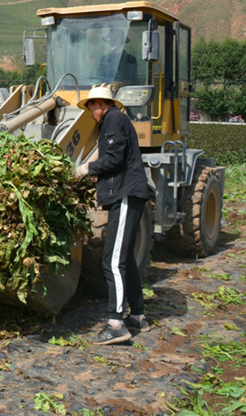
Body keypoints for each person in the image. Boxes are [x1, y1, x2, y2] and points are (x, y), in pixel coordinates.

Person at [75, 84, 151, 345]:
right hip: (124, 194)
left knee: (112, 261)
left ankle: (116, 323)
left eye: (91, 108)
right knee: (125, 259)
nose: (91, 113)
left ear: (100, 104)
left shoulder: (113, 119)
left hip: (125, 195)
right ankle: (138, 316)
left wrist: (86, 169)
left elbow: (114, 159)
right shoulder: (115, 120)